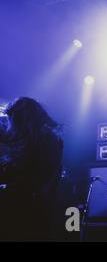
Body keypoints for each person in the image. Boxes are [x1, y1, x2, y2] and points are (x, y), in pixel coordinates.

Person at [0, 97, 63, 241]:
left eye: (11, 119)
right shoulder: (44, 139)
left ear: (20, 120)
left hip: (28, 211)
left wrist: (8, 188)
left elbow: (39, 178)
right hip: (30, 208)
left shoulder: (47, 141)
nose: (9, 124)